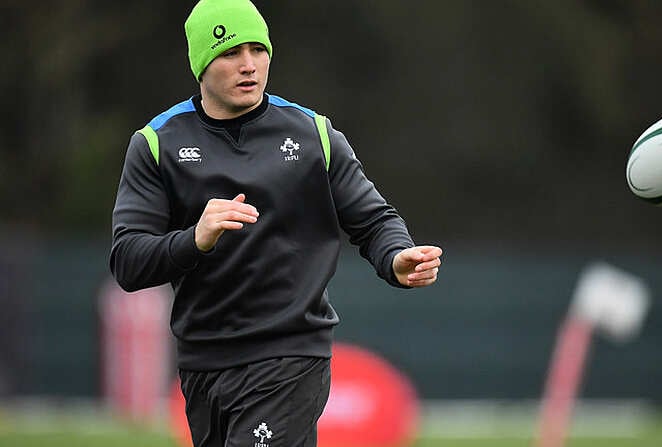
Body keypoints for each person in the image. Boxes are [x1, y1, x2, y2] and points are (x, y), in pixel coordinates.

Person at [108, 0, 443, 446]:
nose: (249, 65)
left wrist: (397, 257)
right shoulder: (157, 144)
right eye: (230, 53)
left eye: (258, 50)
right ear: (201, 65)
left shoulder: (313, 135)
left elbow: (373, 220)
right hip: (203, 363)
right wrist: (195, 239)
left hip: (290, 356)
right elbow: (128, 262)